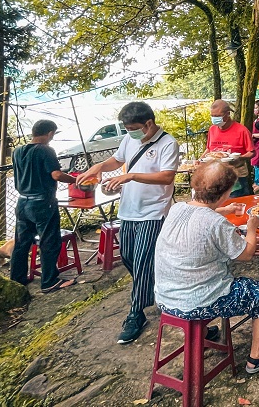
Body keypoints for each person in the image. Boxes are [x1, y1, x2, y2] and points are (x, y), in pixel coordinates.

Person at [155, 162, 259, 374]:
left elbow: (198, 215)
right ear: (226, 192)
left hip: (165, 296)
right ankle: (257, 358)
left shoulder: (177, 208)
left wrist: (223, 210)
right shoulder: (216, 223)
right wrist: (252, 228)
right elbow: (246, 254)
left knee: (195, 271)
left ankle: (204, 332)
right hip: (196, 301)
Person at [77, 101, 180, 344]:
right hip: (128, 211)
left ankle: (136, 313)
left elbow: (167, 176)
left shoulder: (168, 143)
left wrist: (130, 175)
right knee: (128, 257)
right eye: (126, 128)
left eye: (133, 128)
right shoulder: (129, 139)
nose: (129, 132)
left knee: (143, 261)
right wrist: (99, 167)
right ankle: (159, 290)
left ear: (148, 124)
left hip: (153, 212)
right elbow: (116, 160)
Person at [9, 120, 78, 293]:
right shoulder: (46, 150)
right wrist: (76, 180)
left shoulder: (17, 151)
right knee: (49, 241)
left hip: (22, 202)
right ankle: (49, 281)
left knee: (21, 243)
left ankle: (17, 280)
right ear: (50, 133)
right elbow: (56, 174)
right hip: (42, 203)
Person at [205, 99, 254, 196]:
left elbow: (252, 152)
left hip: (237, 175)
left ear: (227, 114)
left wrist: (240, 158)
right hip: (215, 174)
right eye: (212, 116)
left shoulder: (242, 130)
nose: (214, 118)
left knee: (236, 204)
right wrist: (200, 160)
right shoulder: (212, 129)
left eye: (217, 116)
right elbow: (209, 149)